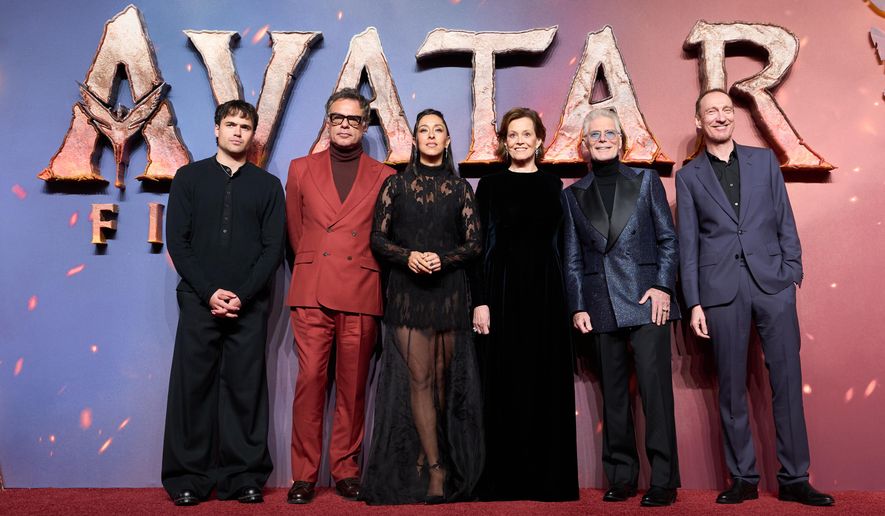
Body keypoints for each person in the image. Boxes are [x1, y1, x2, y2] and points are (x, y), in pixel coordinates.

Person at [676, 89, 834, 506]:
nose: (720, 116)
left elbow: (785, 219)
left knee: (787, 381)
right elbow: (688, 245)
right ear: (699, 121)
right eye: (711, 111)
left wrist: (791, 272)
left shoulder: (764, 161)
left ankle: (795, 478)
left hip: (772, 285)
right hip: (720, 290)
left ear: (734, 116)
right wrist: (694, 302)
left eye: (726, 110)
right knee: (731, 388)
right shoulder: (689, 177)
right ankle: (743, 478)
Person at [162, 100, 285, 506]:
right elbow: (177, 241)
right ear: (217, 129)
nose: (237, 132)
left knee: (246, 391)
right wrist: (209, 292)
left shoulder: (268, 186)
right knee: (192, 390)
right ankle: (187, 478)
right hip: (199, 301)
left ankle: (244, 478)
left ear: (252, 135)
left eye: (245, 127)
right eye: (230, 124)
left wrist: (242, 296)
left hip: (249, 305)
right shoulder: (189, 177)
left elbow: (273, 248)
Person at [361, 109, 484, 505]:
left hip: (448, 293)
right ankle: (436, 468)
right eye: (424, 130)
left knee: (442, 382)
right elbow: (377, 239)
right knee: (420, 379)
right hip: (407, 293)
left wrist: (441, 260)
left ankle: (424, 453)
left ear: (447, 141)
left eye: (438, 130)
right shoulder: (395, 186)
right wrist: (408, 256)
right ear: (414, 140)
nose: (431, 136)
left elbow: (474, 244)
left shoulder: (461, 189)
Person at [562, 108, 681, 507]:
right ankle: (622, 477)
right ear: (584, 144)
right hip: (600, 303)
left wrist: (662, 287)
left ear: (621, 140)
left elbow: (668, 240)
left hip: (649, 301)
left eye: (609, 133)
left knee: (655, 394)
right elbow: (572, 258)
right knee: (613, 397)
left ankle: (663, 481)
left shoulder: (646, 180)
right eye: (595, 135)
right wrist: (578, 306)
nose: (602, 139)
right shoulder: (572, 195)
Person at [285, 88, 395, 504]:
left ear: (364, 126)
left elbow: (384, 236)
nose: (345, 125)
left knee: (353, 388)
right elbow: (296, 233)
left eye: (353, 119)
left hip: (360, 290)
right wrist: (315, 266)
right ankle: (304, 476)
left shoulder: (384, 175)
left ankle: (346, 470)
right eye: (337, 118)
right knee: (310, 383)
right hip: (312, 291)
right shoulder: (300, 169)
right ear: (327, 122)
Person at [470, 107, 579, 502]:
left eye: (526, 134)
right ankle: (504, 481)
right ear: (504, 141)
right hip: (501, 293)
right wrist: (480, 302)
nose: (519, 140)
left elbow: (563, 247)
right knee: (505, 386)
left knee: (545, 386)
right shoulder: (489, 185)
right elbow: (478, 248)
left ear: (539, 140)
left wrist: (570, 302)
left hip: (547, 296)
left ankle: (547, 482)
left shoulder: (554, 186)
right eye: (512, 134)